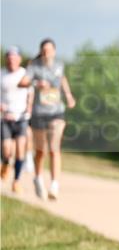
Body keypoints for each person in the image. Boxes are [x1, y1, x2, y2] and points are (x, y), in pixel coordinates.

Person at [20, 38, 75, 200]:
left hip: (56, 112)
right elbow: (22, 83)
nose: (47, 53)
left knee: (54, 148)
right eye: (44, 50)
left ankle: (54, 185)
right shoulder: (33, 66)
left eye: (49, 50)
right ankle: (37, 178)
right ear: (41, 51)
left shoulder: (59, 65)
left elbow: (63, 79)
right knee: (40, 151)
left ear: (54, 51)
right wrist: (36, 84)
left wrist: (69, 96)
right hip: (39, 113)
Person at [1, 46, 33, 193]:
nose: (12, 60)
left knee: (20, 150)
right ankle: (5, 165)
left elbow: (30, 93)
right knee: (7, 150)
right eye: (9, 57)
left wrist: (29, 108)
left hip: (21, 117)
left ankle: (16, 181)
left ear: (19, 59)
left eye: (14, 57)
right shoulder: (2, 75)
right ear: (6, 59)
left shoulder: (24, 74)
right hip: (6, 117)